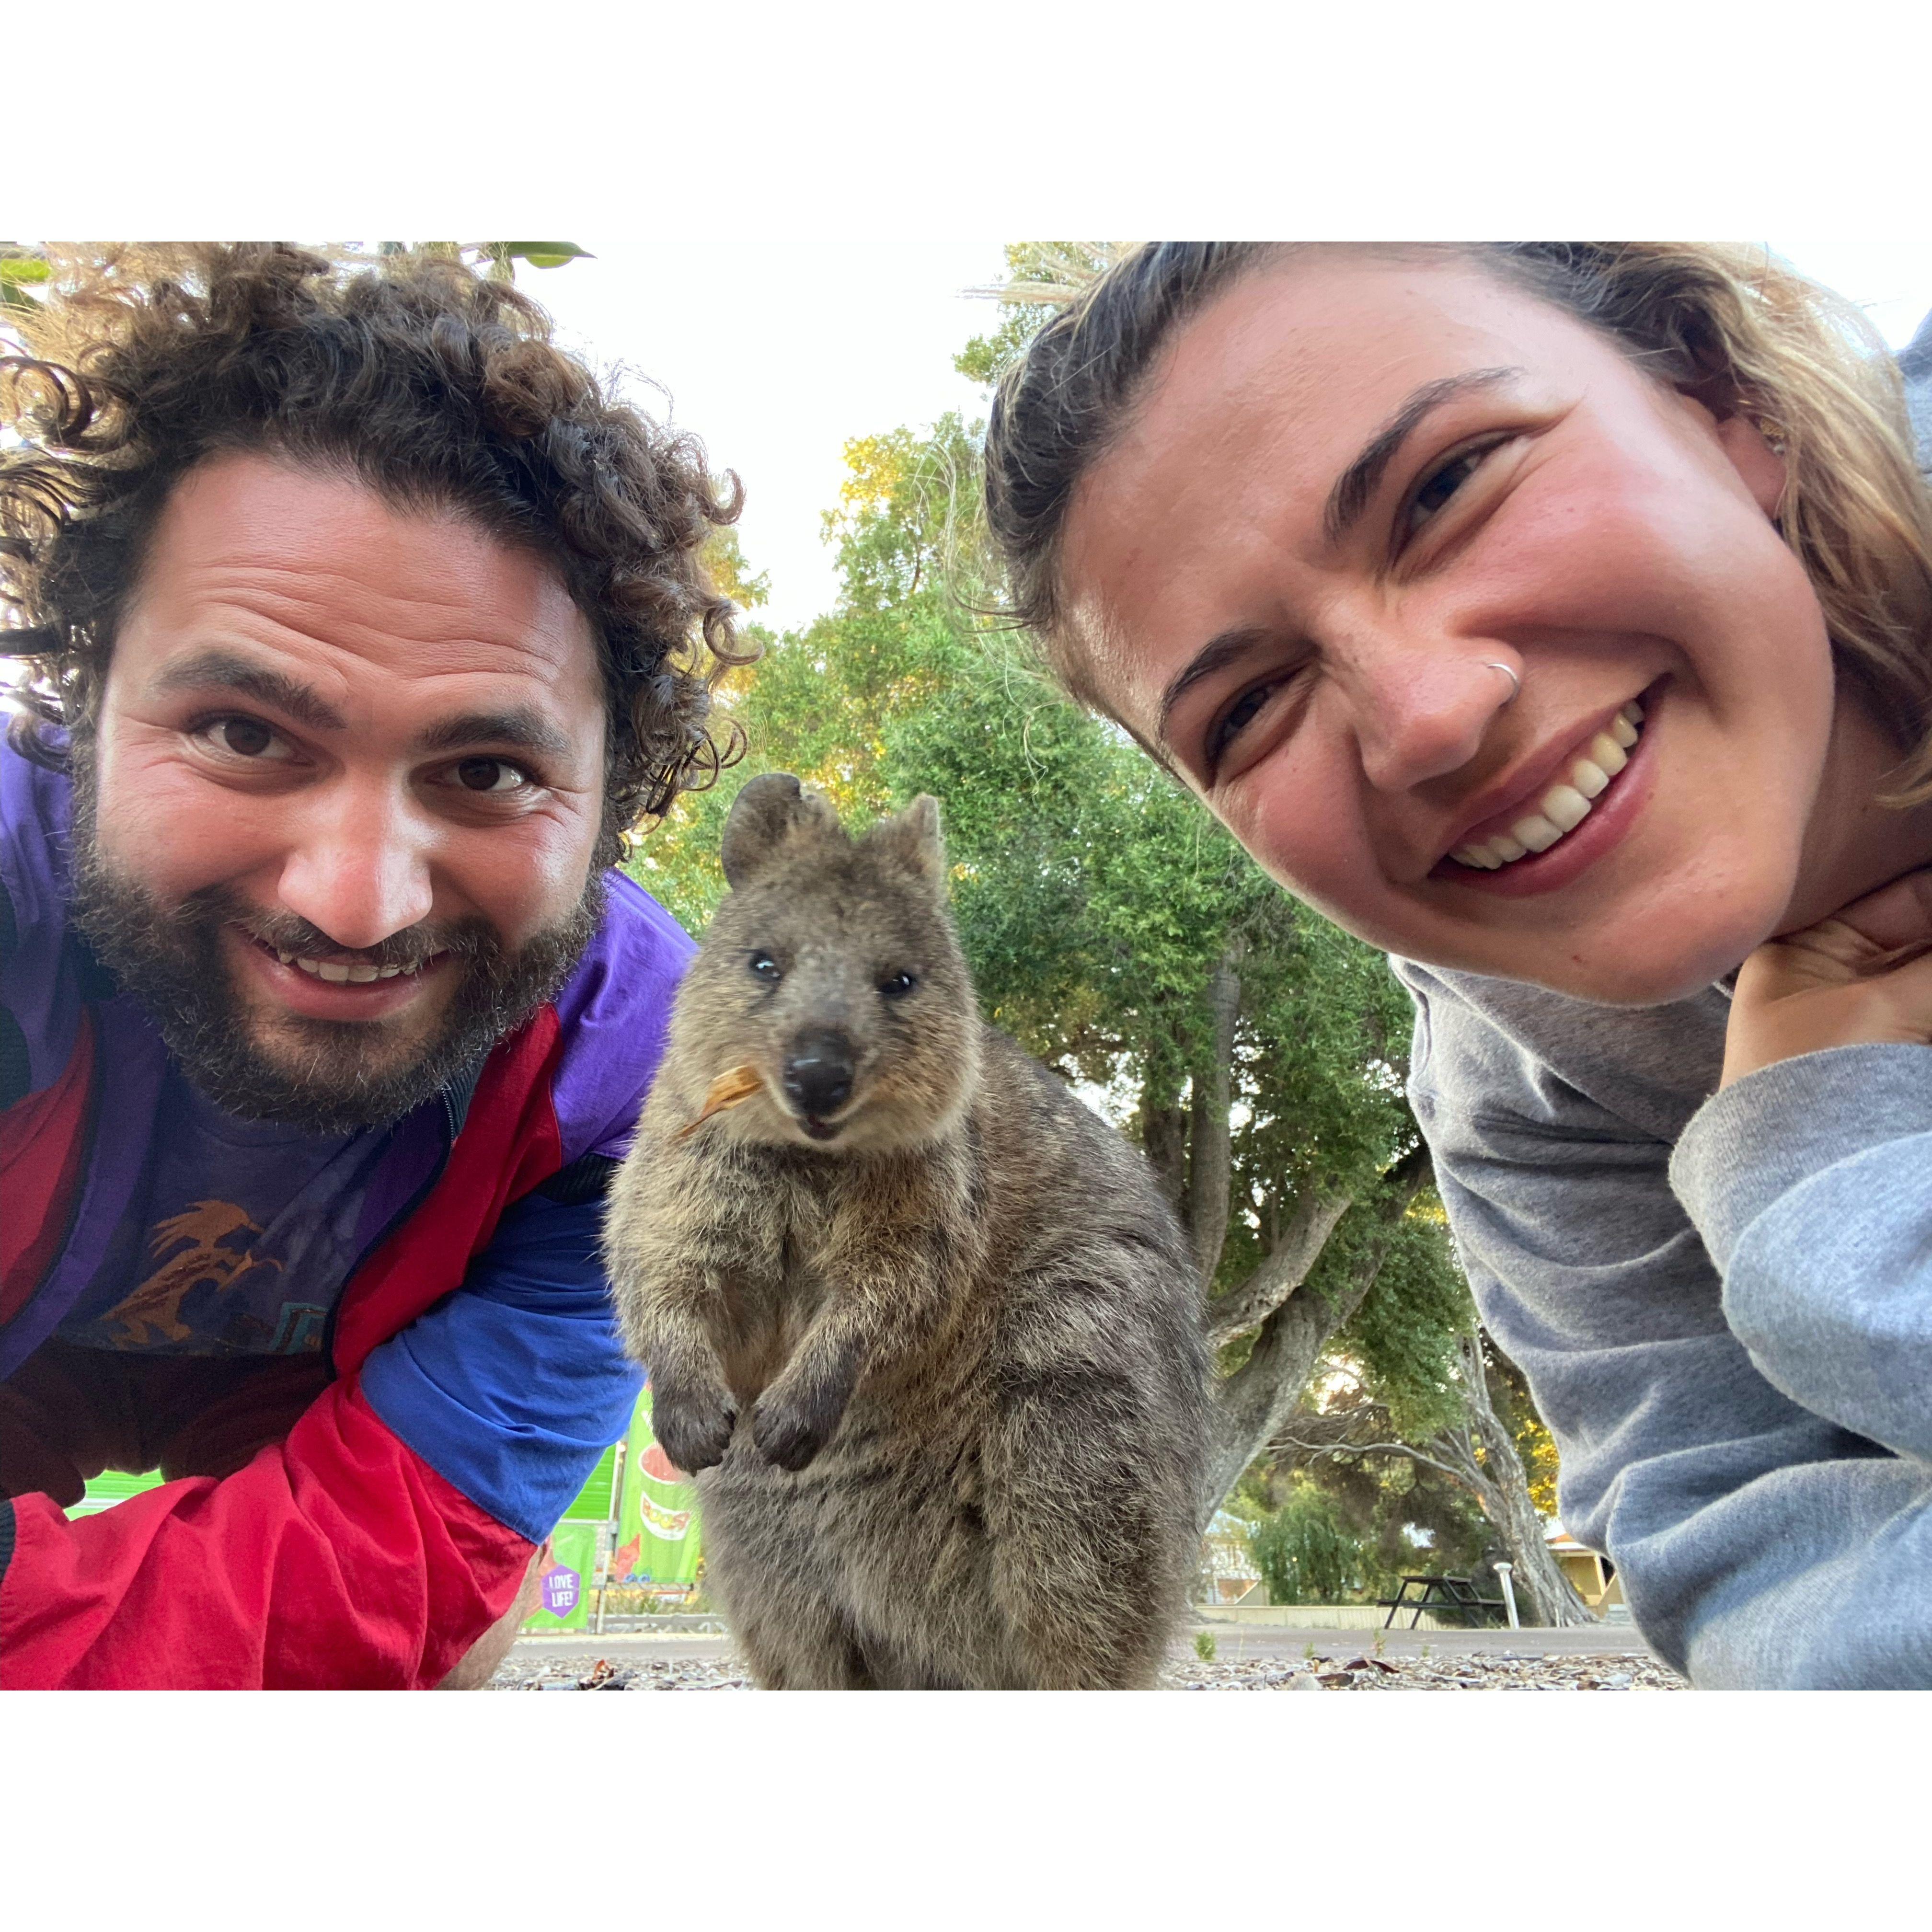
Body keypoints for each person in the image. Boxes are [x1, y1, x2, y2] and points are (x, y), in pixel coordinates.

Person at [982, 243, 1932, 1688]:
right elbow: (1776, 1594)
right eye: (1247, 710)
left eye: (1449, 486)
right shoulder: (1526, 1099)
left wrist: (1827, 1211)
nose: (1425, 717)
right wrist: (1814, 1162)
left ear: (1729, 405)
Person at [0, 245, 742, 1688]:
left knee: (456, 1634)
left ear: (612, 810)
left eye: (484, 769)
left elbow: (384, 1571)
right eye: (241, 731)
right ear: (81, 704)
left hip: (329, 1387)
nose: (354, 904)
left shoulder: (654, 1096)